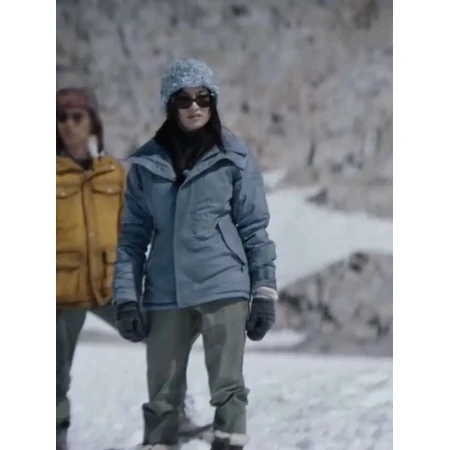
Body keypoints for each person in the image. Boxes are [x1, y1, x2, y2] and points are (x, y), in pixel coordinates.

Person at [113, 58, 278, 450]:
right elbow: (132, 238)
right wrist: (126, 297)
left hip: (224, 285)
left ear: (213, 101)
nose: (194, 106)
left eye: (203, 97)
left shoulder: (234, 156)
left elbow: (254, 227)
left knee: (228, 386)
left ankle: (229, 443)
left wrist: (264, 291)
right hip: (165, 292)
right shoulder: (146, 163)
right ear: (170, 104)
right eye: (183, 99)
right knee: (162, 391)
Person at [56, 87, 204, 450]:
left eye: (77, 116)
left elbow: (137, 227)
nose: (69, 125)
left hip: (112, 283)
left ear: (93, 122)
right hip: (61, 290)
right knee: (51, 373)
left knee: (165, 336)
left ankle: (171, 424)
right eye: (61, 118)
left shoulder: (114, 173)